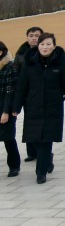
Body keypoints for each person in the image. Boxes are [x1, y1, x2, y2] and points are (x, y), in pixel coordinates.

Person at [13, 32, 65, 183]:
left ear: (54, 46)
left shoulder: (60, 63)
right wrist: (16, 106)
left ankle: (40, 172)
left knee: (46, 140)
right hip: (33, 106)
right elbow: (22, 86)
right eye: (42, 44)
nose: (45, 47)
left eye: (48, 44)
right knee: (34, 139)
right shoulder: (30, 63)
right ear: (38, 46)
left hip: (52, 107)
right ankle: (48, 159)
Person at [0, 42, 21, 177]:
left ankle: (14, 166)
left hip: (4, 108)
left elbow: (10, 92)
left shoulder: (9, 68)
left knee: (8, 138)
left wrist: (6, 112)